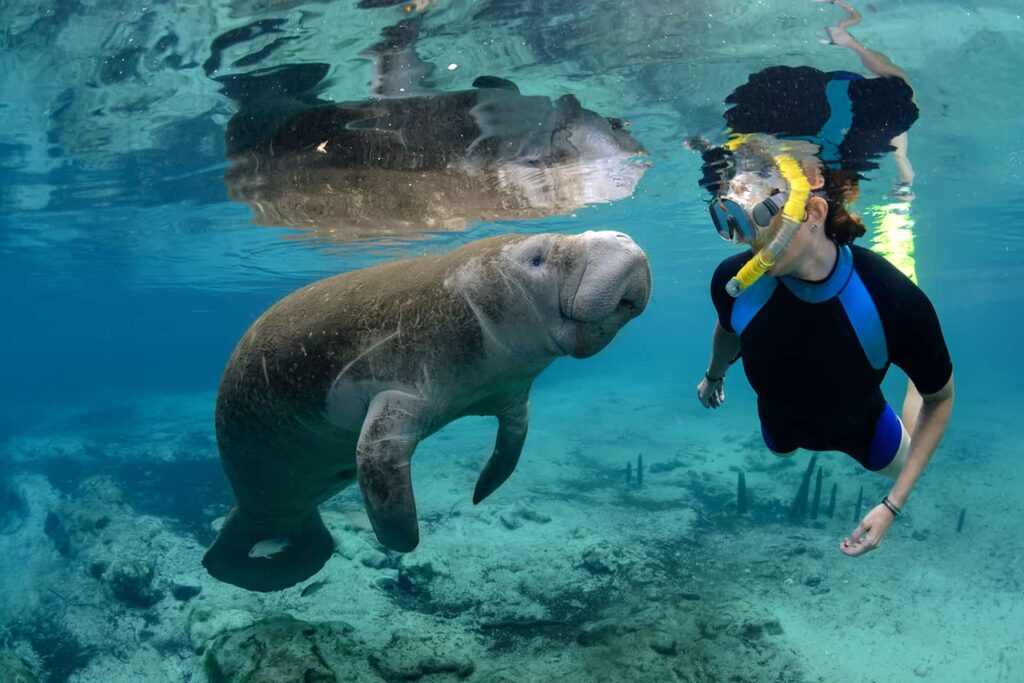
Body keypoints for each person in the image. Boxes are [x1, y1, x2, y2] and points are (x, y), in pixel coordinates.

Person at [692, 3, 953, 558]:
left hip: (864, 425)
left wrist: (893, 507)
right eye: (734, 226)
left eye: (761, 221)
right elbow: (728, 328)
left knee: (899, 460)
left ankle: (856, 52)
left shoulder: (893, 299)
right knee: (781, 450)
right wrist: (714, 377)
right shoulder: (733, 279)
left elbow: (942, 399)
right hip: (784, 422)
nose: (749, 245)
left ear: (810, 212)